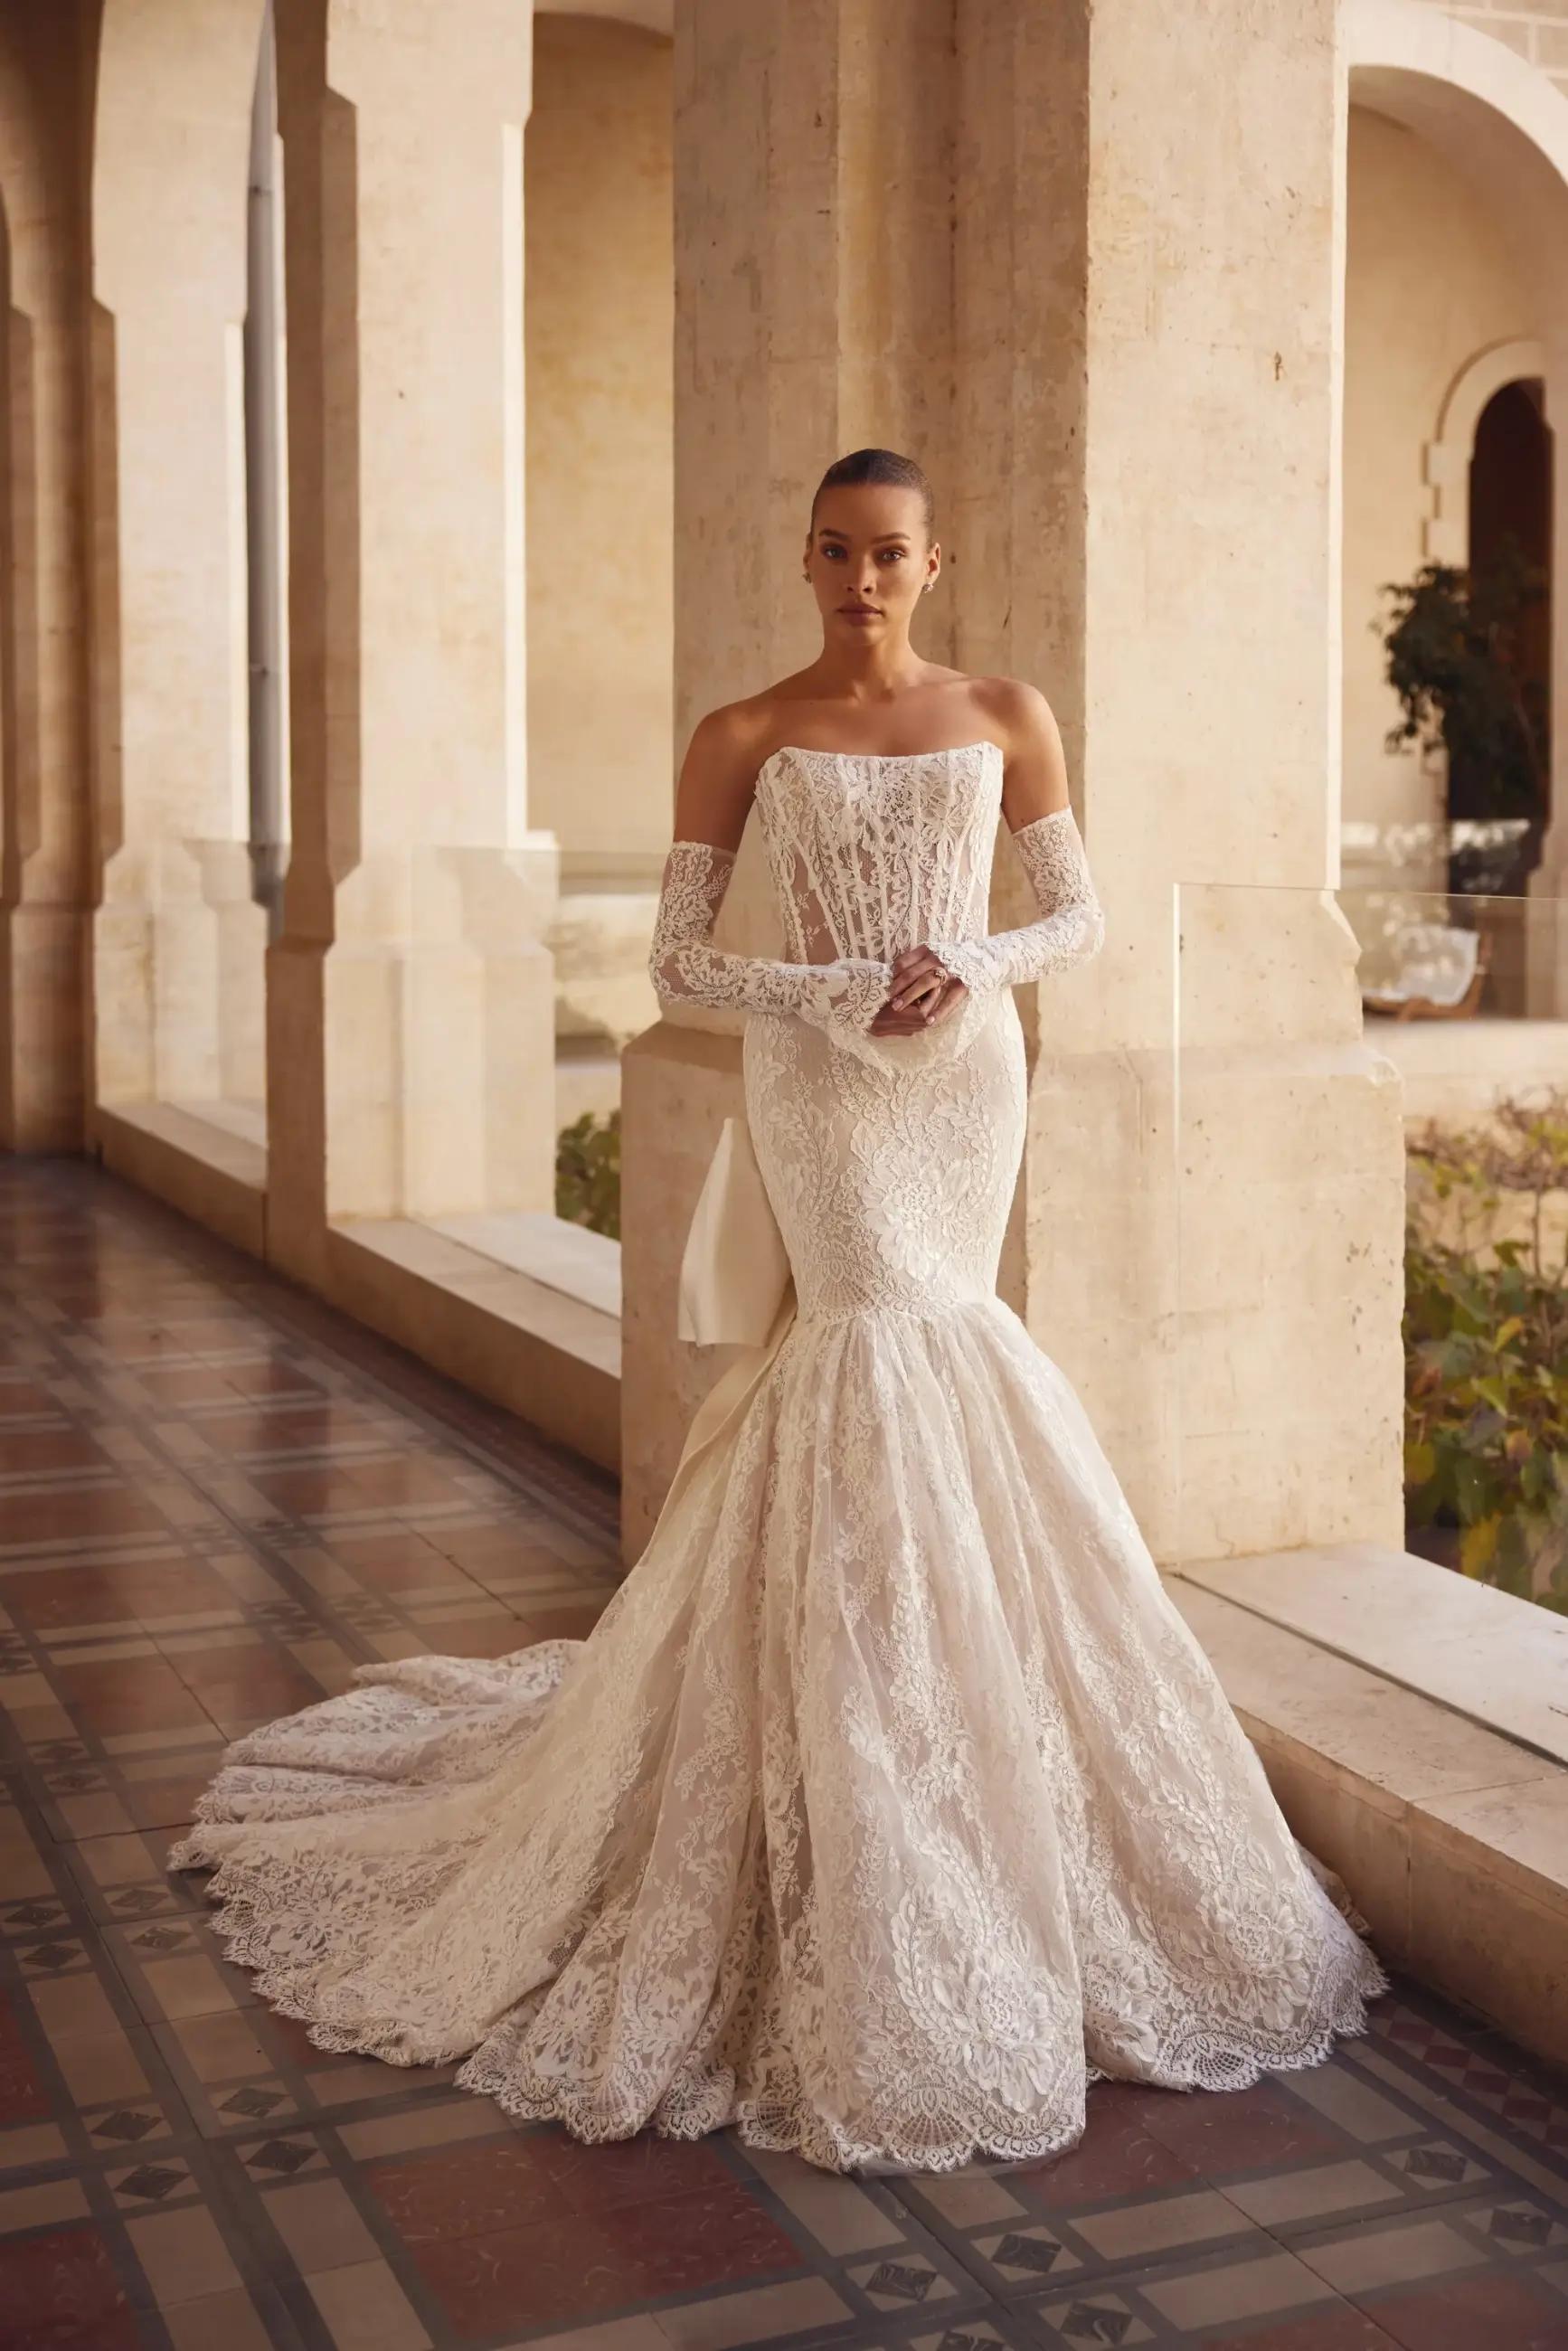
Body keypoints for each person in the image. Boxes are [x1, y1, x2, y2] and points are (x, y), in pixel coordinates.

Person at [171, 447, 1388, 2178]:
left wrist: (966, 965)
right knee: (872, 1347)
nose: (862, 580)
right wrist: (829, 993)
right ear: (806, 560)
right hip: (821, 1092)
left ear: (935, 559)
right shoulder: (741, 733)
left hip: (961, 1085)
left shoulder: (1004, 712)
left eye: (889, 553)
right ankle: (850, 1758)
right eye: (834, 552)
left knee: (942, 1337)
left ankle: (964, 1752)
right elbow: (678, 964)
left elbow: (1078, 916)